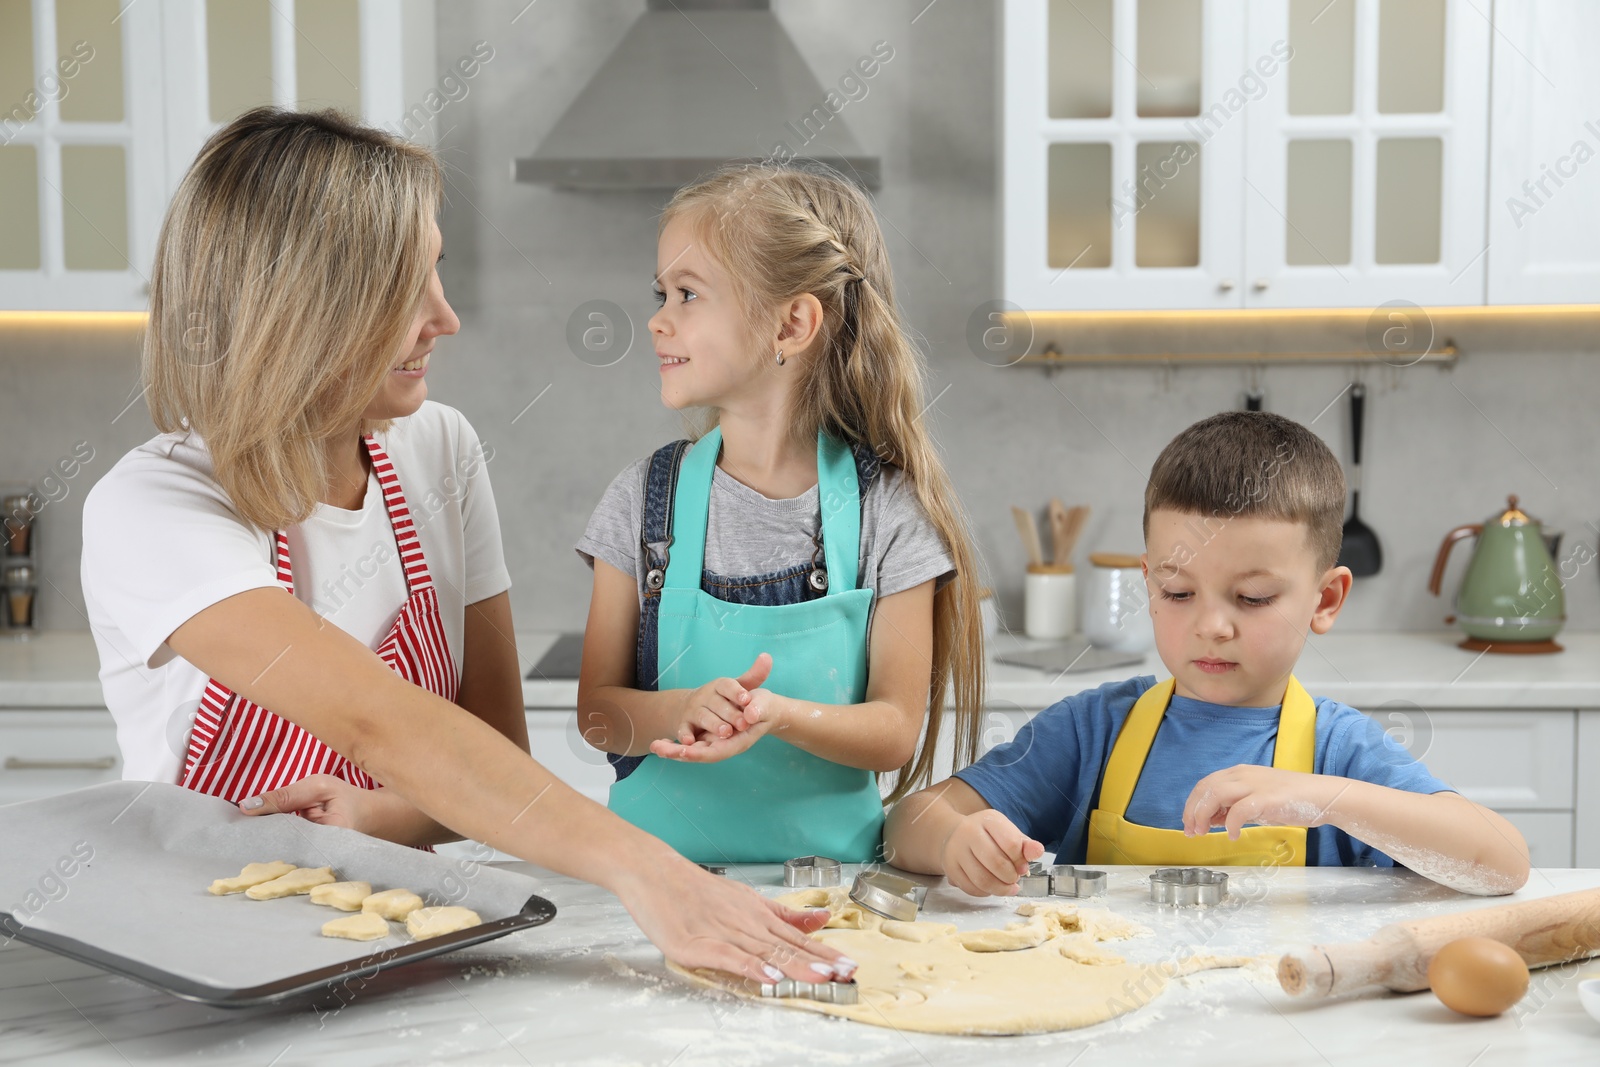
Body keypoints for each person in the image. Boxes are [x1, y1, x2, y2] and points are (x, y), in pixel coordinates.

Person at [80, 107, 852, 985]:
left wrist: (380, 819)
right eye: (406, 288)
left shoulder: (437, 449)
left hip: (408, 947)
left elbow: (493, 756)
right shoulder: (153, 506)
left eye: (437, 274)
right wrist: (651, 873)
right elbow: (380, 719)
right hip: (204, 962)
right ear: (300, 307)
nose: (444, 318)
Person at [884, 411, 1530, 896]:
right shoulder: (1091, 732)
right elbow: (908, 820)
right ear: (1148, 583)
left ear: (1325, 599)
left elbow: (1502, 860)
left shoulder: (1341, 753)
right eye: (1179, 590)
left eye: (1251, 597)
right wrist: (954, 839)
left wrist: (1322, 799)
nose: (1212, 625)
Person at [575, 163, 986, 863]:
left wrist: (779, 715)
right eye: (661, 292)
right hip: (656, 887)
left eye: (688, 293)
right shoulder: (642, 500)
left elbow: (894, 730)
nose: (657, 318)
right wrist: (675, 711)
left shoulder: (886, 513)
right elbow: (596, 713)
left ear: (792, 323)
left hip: (831, 896)